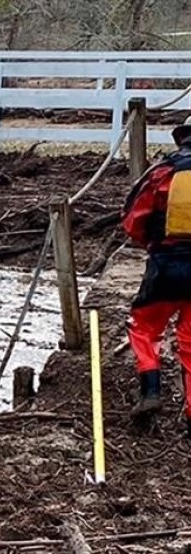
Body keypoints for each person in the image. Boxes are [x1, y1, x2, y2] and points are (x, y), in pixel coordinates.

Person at [121, 115, 191, 432]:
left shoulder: (163, 171)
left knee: (144, 326)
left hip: (166, 264)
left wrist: (150, 243)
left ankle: (151, 389)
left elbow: (134, 218)